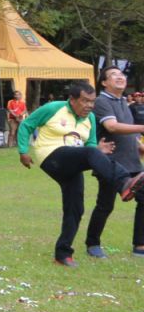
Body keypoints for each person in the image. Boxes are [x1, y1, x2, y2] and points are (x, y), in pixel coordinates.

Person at [18, 81, 144, 266]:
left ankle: (63, 253)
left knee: (75, 208)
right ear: (72, 99)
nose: (89, 106)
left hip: (72, 163)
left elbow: (91, 145)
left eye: (92, 101)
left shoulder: (90, 119)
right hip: (52, 157)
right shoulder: (54, 108)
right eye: (85, 101)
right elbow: (27, 124)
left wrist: (97, 155)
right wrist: (23, 151)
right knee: (92, 152)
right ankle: (124, 183)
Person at [84, 67, 144, 259]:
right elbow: (111, 126)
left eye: (122, 74)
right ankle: (93, 243)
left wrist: (139, 146)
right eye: (114, 75)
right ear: (104, 82)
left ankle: (140, 245)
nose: (120, 77)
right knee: (105, 204)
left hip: (132, 162)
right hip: (111, 163)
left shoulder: (123, 102)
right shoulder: (102, 101)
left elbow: (129, 133)